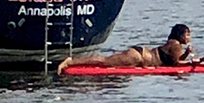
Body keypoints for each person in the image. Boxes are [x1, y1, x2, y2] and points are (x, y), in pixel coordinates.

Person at [58, 24, 193, 74]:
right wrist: (194, 62)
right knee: (104, 61)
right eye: (187, 34)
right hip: (138, 57)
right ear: (180, 35)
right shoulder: (176, 45)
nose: (189, 37)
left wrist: (187, 54)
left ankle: (73, 61)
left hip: (139, 53)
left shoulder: (173, 43)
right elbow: (176, 64)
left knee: (106, 60)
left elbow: (174, 60)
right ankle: (71, 61)